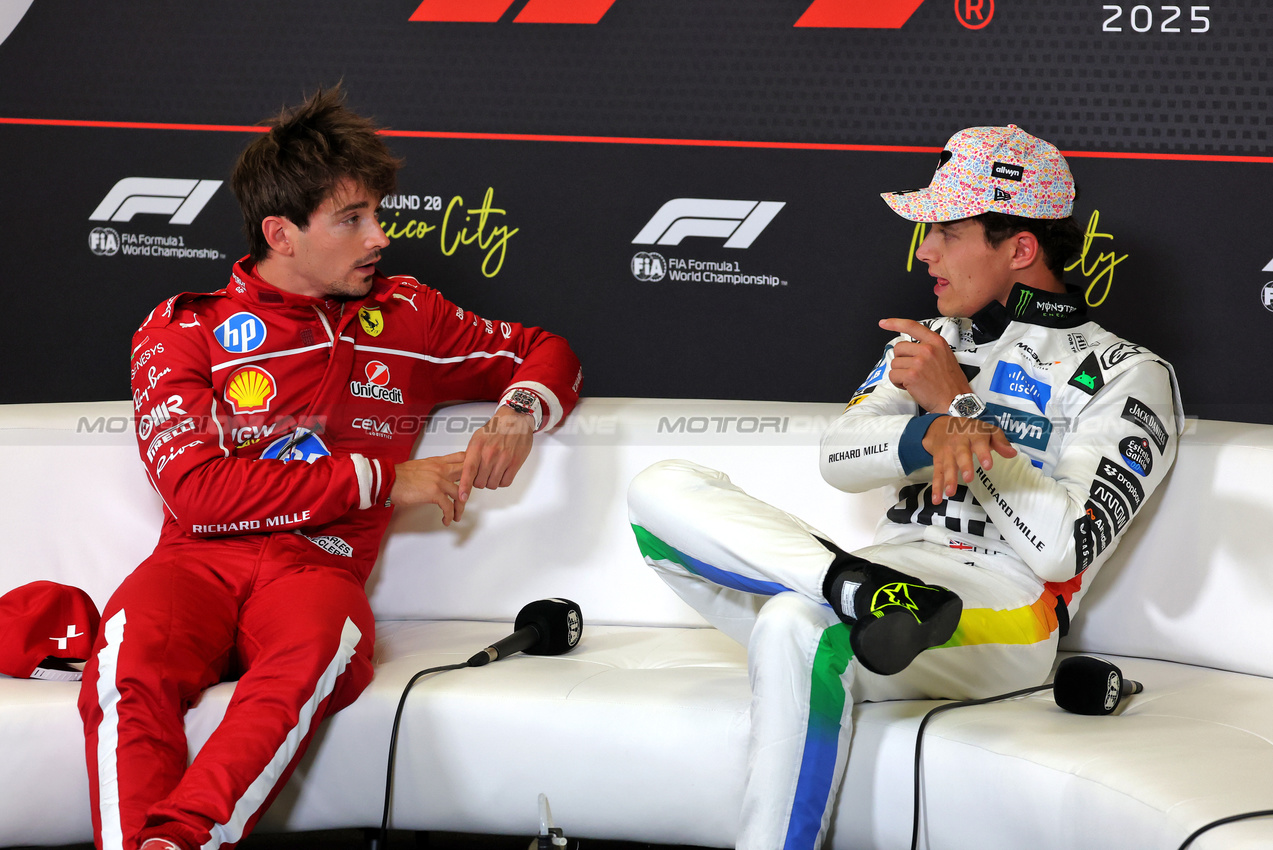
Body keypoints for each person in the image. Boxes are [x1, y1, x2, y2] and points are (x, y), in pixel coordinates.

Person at [627, 125, 1181, 850]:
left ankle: (847, 595)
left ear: (1018, 248)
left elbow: (1060, 550)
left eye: (947, 232)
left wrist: (963, 412)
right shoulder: (927, 339)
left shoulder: (1128, 373)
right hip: (890, 577)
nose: (923, 251)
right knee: (657, 488)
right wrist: (928, 433)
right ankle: (849, 586)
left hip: (1007, 608)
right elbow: (838, 459)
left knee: (799, 626)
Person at [77, 87, 581, 850]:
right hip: (197, 563)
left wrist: (517, 410)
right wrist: (386, 480)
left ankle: (178, 841)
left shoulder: (411, 314)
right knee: (128, 656)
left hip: (321, 569)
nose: (379, 236)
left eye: (377, 213)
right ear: (280, 232)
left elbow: (546, 351)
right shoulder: (188, 326)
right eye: (352, 220)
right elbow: (196, 493)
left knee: (319, 649)